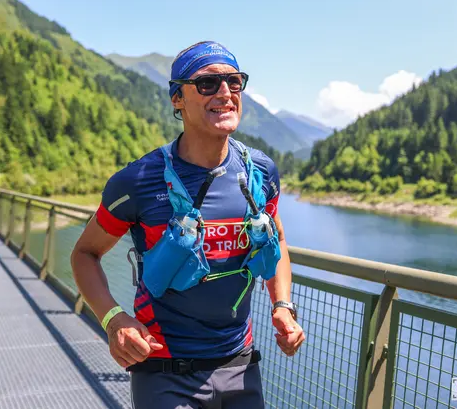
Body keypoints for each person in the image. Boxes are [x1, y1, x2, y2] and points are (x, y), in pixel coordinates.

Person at [70, 41, 305, 408]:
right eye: (207, 84)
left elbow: (278, 240)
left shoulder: (260, 171)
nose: (225, 93)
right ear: (177, 99)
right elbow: (85, 254)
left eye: (234, 81)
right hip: (164, 372)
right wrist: (114, 320)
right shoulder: (138, 180)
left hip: (241, 366)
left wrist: (283, 305)